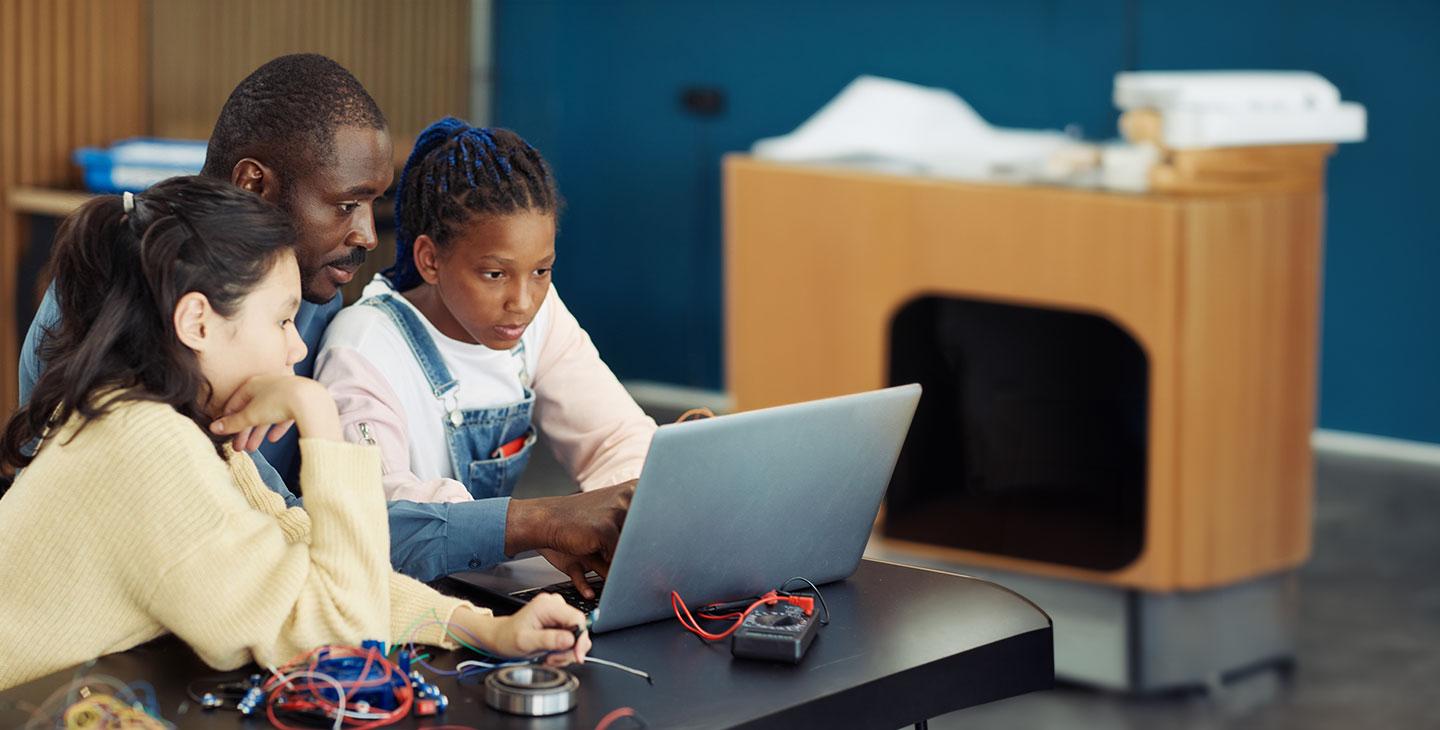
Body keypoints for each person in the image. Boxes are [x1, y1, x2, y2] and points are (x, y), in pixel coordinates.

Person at [16, 54, 633, 581]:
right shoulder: (130, 306)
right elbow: (286, 539)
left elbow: (313, 522)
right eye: (345, 204)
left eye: (372, 204)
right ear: (255, 185)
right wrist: (535, 522)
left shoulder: (309, 293)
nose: (367, 236)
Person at [0, 177, 589, 692]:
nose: (298, 345)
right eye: (282, 319)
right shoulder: (145, 445)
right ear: (198, 322)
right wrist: (318, 417)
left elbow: (310, 564)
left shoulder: (167, 422)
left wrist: (488, 629)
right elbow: (342, 635)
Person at [315, 118, 657, 596]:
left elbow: (616, 437)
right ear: (430, 260)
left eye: (541, 270)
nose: (523, 300)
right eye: (495, 274)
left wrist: (622, 516)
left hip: (493, 588)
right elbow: (377, 515)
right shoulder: (363, 347)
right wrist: (541, 525)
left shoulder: (537, 316)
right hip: (408, 603)